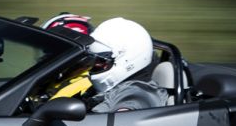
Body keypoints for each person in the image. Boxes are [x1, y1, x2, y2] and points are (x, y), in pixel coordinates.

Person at [38, 15, 169, 111]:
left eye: (101, 61)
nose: (94, 65)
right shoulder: (116, 89)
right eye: (94, 60)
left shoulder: (136, 95)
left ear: (126, 59)